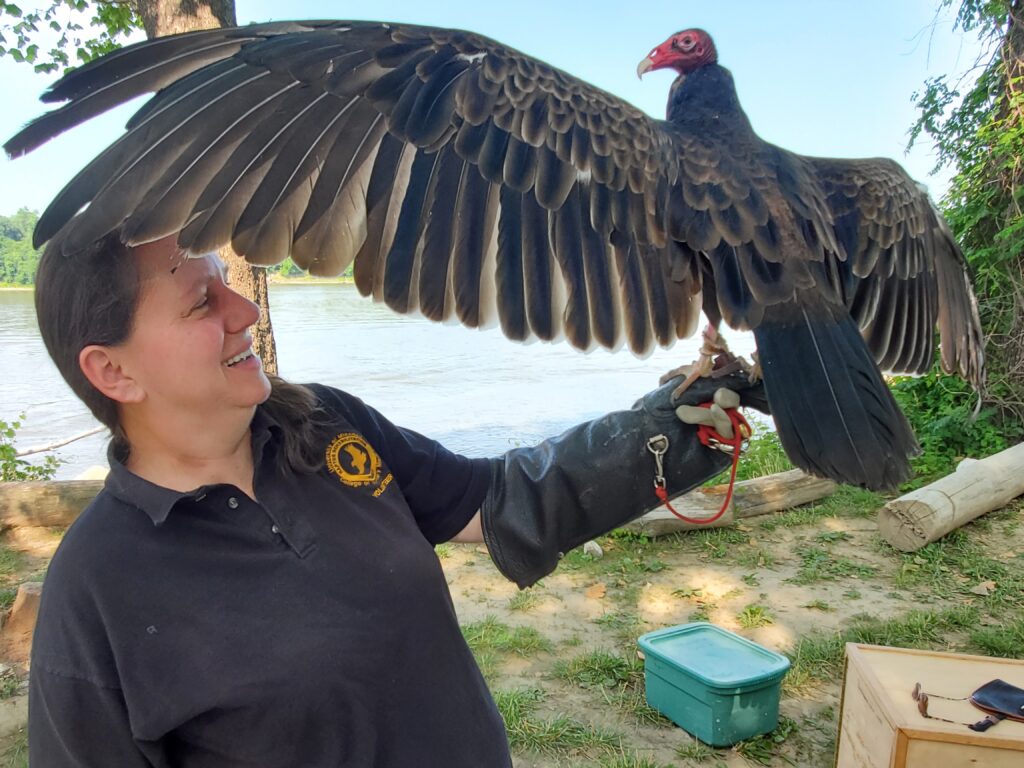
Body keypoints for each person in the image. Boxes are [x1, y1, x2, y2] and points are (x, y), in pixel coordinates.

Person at [28, 226, 767, 766]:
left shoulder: (323, 424)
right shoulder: (97, 590)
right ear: (114, 372)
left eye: (227, 278)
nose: (244, 309)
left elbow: (499, 497)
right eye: (200, 301)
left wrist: (669, 428)